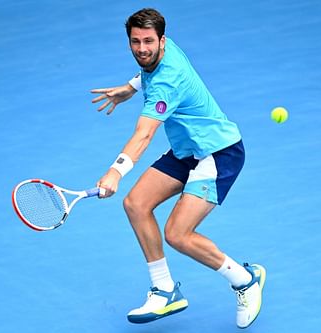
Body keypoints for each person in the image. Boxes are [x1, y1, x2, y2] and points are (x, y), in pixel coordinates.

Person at [91, 8, 265, 329]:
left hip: (218, 153)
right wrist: (131, 87)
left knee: (178, 234)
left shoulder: (166, 83)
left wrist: (116, 171)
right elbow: (147, 70)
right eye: (135, 41)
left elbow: (144, 135)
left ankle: (244, 280)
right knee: (136, 204)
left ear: (162, 40)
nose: (142, 48)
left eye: (148, 42)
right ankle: (165, 289)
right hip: (188, 150)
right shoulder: (163, 52)